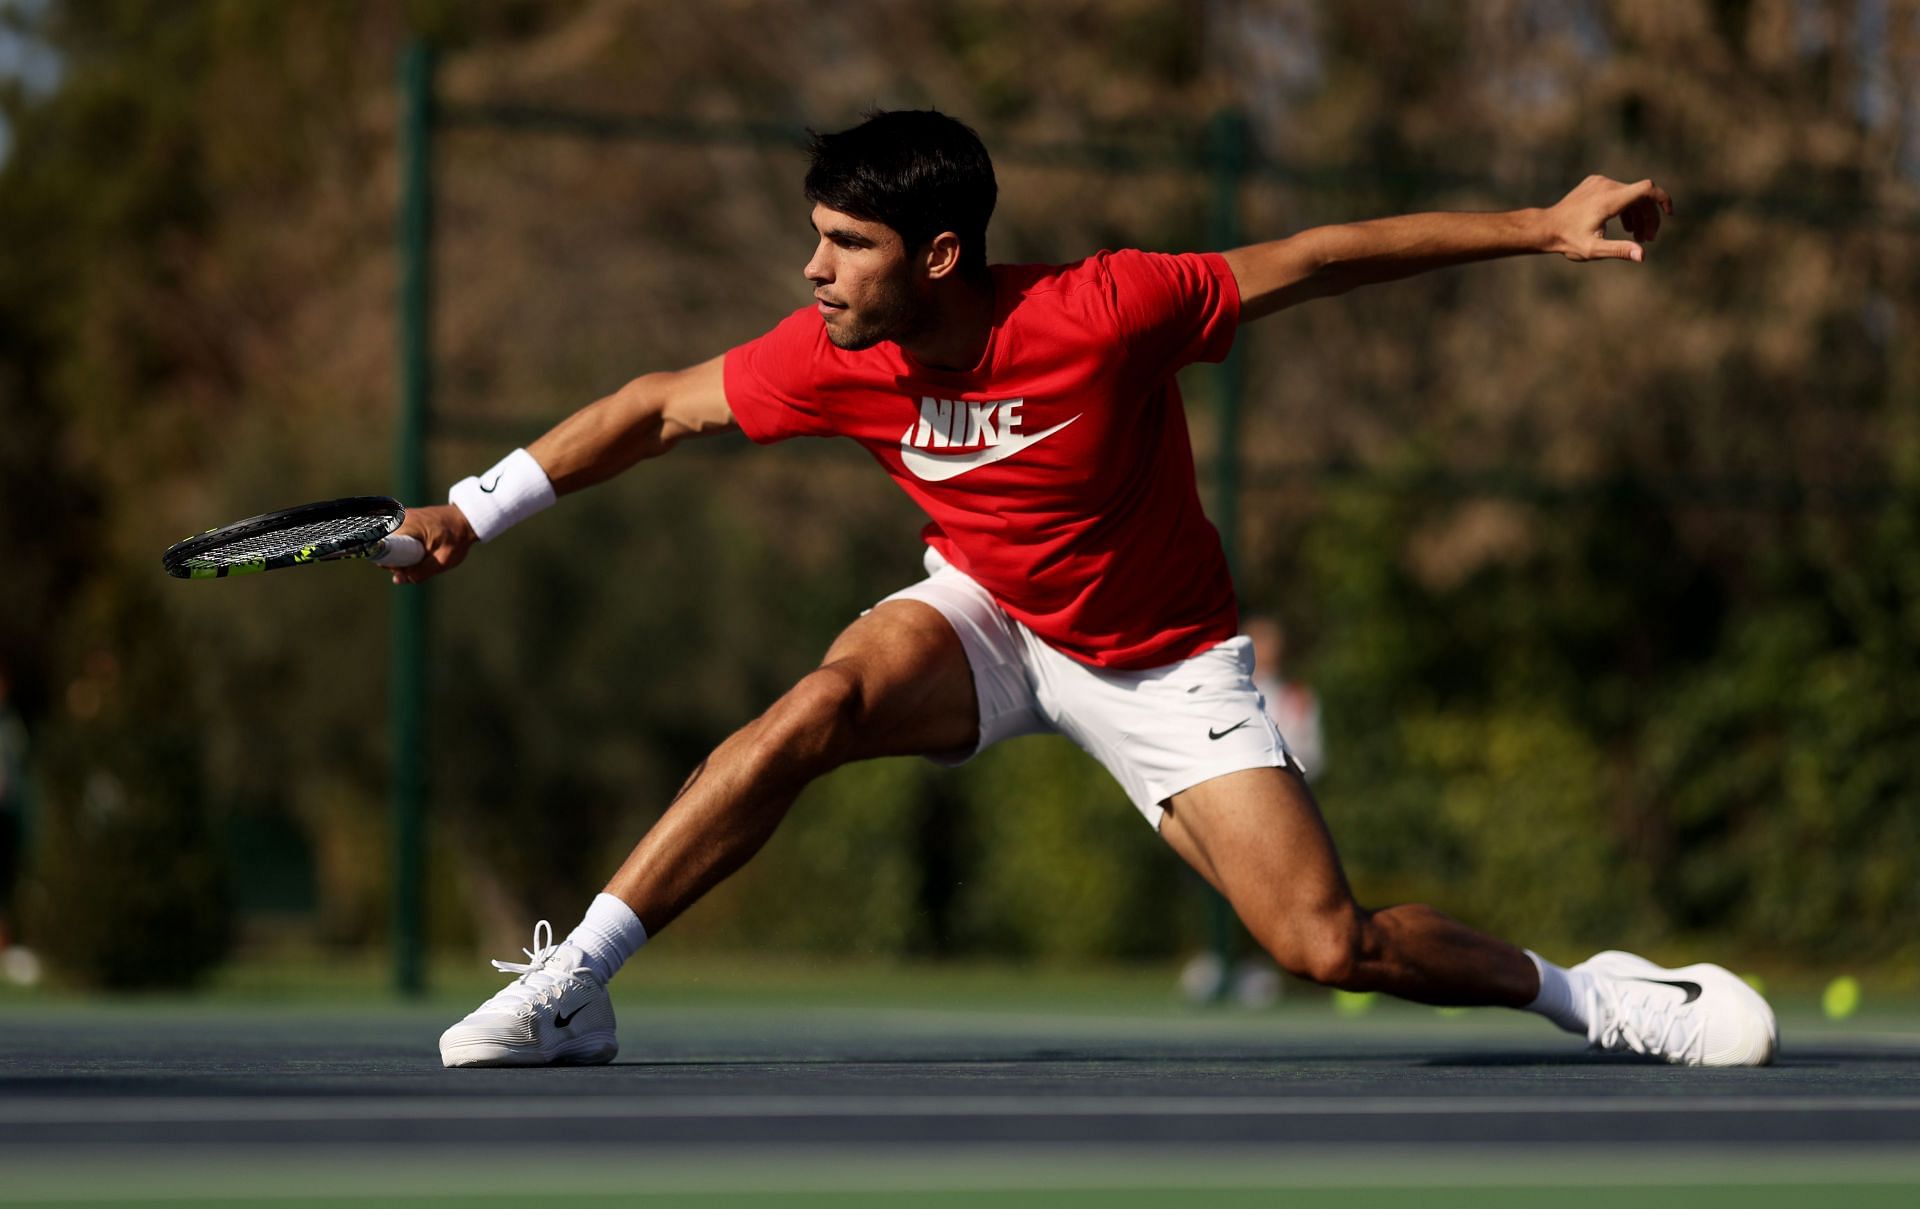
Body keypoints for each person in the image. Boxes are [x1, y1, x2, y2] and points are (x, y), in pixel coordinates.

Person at [401, 110, 1775, 1069]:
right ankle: (575, 983)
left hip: (1165, 663)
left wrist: (1541, 225)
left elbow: (1319, 258)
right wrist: (471, 507)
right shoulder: (832, 352)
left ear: (939, 255)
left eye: (845, 244)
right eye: (814, 236)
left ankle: (1593, 995)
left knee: (1322, 942)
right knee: (810, 709)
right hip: (988, 616)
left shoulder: (1103, 310)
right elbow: (655, 408)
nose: (812, 269)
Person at [1245, 615, 1322, 780]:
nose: (1267, 647)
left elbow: (1311, 756)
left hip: (1286, 785)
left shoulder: (1297, 696)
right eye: (1259, 639)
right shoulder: (1235, 694)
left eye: (1270, 640)